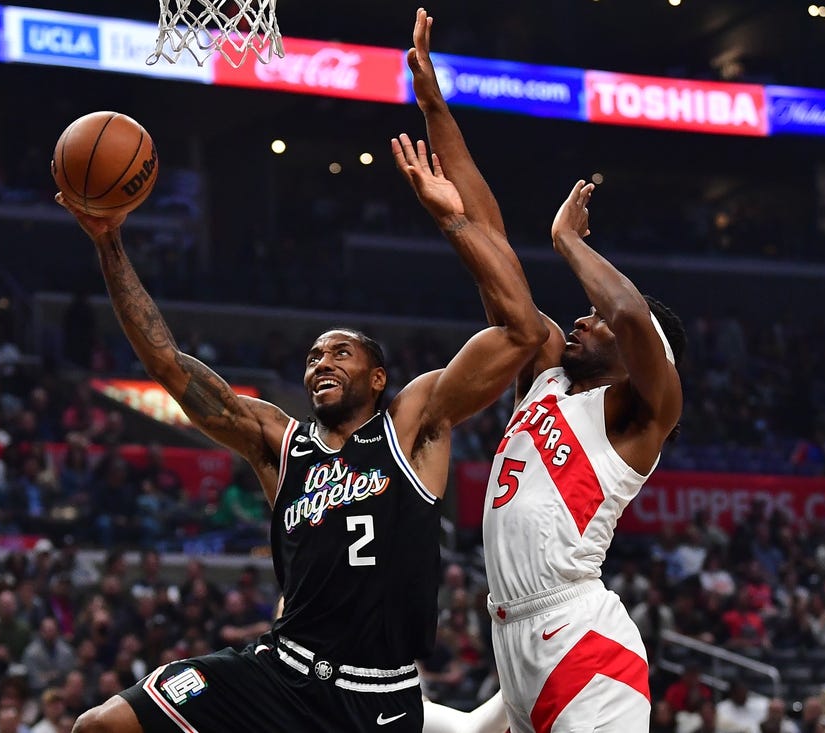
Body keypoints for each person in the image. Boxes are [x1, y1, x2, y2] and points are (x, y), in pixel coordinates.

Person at [57, 96, 547, 731]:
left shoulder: (413, 425)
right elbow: (168, 366)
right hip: (279, 671)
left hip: (377, 695)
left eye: (340, 353)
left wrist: (453, 221)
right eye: (314, 355)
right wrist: (110, 240)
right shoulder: (277, 443)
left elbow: (521, 331)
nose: (321, 362)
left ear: (377, 377)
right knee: (100, 725)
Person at [404, 9, 685, 733]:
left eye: (599, 320)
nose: (584, 319)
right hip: (513, 643)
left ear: (643, 354)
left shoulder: (640, 415)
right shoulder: (548, 373)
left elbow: (625, 309)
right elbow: (489, 231)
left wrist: (563, 239)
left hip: (583, 644)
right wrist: (435, 106)